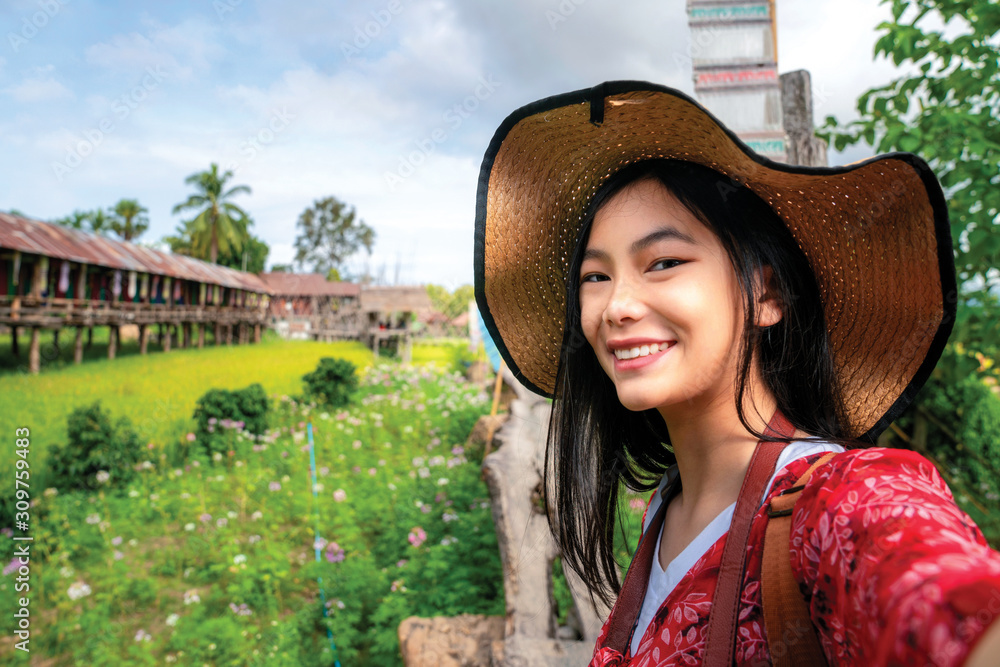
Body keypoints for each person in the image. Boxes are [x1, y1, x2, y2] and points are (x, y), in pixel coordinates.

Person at [473, 81, 1000, 666]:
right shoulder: (664, 513)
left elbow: (942, 595)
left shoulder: (838, 500)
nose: (616, 306)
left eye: (664, 263)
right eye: (595, 277)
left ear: (767, 292)